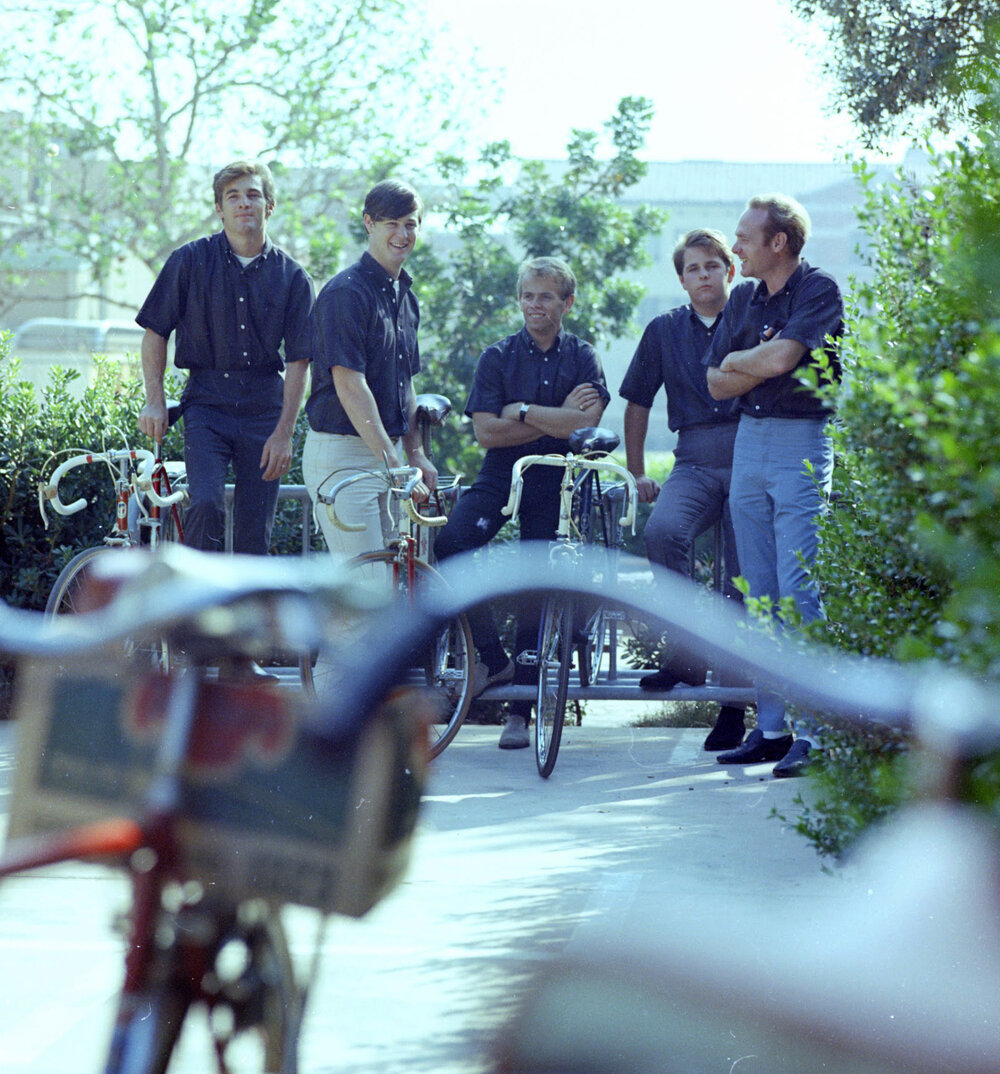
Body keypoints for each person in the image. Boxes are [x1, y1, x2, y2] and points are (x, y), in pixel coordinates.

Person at [434, 256, 609, 750]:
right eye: (528, 295)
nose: (535, 305)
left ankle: (521, 710)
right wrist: (556, 417)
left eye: (546, 296)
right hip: (501, 473)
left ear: (566, 303)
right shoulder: (498, 356)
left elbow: (584, 425)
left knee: (538, 571)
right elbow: (487, 431)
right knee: (451, 541)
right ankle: (490, 656)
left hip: (557, 476)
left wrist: (525, 410)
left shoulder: (583, 356)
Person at [705, 193, 843, 777]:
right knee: (758, 592)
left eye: (744, 237)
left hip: (800, 442)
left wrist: (747, 358)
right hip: (750, 442)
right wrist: (750, 362)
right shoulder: (742, 297)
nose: (735, 247)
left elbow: (786, 358)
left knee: (798, 591)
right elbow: (713, 383)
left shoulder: (819, 289)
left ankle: (811, 734)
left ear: (778, 242)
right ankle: (770, 728)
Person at [136, 160, 313, 553]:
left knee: (255, 533)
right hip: (206, 404)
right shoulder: (189, 261)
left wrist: (284, 433)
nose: (243, 203)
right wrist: (155, 398)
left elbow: (300, 362)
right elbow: (154, 333)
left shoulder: (294, 277)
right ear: (219, 208)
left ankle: (246, 614)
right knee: (204, 504)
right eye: (232, 196)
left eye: (253, 195)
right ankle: (200, 606)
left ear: (270, 206)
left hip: (265, 411)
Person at [619, 228, 747, 751]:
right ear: (681, 279)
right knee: (664, 531)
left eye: (712, 266)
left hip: (748, 455)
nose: (703, 276)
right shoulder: (664, 330)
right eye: (692, 269)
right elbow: (636, 404)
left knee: (742, 579)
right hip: (693, 457)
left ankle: (733, 711)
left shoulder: (752, 320)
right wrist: (636, 471)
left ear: (729, 271)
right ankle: (690, 654)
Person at [302, 179, 436, 561]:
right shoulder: (346, 292)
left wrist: (415, 454)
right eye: (391, 223)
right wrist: (394, 464)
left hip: (388, 454)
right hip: (343, 454)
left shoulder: (405, 297)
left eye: (410, 223)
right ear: (368, 224)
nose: (402, 233)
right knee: (367, 592)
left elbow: (404, 383)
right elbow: (350, 385)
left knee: (393, 588)